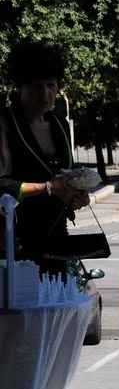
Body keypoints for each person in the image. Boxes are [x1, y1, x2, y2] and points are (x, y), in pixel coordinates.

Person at [0, 42, 90, 275]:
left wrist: (75, 196)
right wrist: (48, 188)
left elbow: (64, 176)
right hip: (15, 243)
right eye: (36, 87)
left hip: (57, 238)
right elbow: (2, 184)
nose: (45, 94)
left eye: (51, 85)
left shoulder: (58, 124)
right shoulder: (6, 124)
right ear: (20, 88)